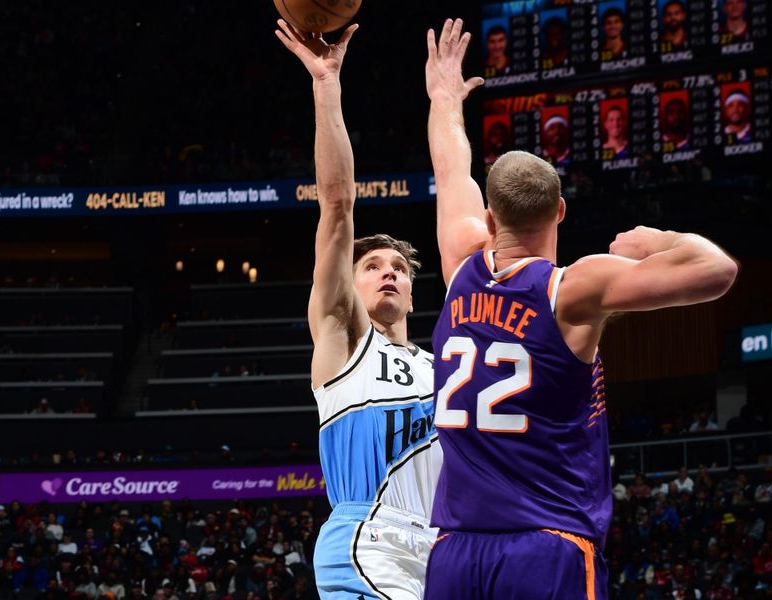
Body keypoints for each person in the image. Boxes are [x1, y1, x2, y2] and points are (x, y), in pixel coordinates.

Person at [423, 18, 737, 599]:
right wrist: (654, 240)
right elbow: (716, 270)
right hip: (546, 545)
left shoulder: (459, 262)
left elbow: (450, 166)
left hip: (454, 553)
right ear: (561, 212)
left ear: (490, 220)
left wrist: (444, 96)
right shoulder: (572, 290)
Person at [275, 19, 441, 600]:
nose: (389, 271)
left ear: (415, 293)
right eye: (372, 267)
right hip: (370, 538)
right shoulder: (344, 340)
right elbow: (338, 205)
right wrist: (326, 83)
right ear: (348, 286)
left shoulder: (445, 370)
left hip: (445, 547)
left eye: (398, 267)